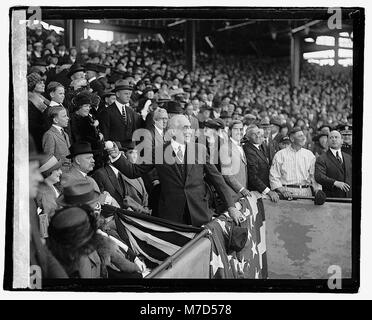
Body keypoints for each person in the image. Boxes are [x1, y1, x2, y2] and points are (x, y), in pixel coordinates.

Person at [107, 115, 243, 227]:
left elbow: (217, 179)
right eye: (185, 127)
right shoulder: (158, 152)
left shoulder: (199, 149)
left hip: (200, 213)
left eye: (190, 127)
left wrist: (231, 207)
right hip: (171, 215)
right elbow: (134, 171)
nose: (189, 131)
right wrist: (117, 157)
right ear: (172, 131)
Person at [29, 136, 68, 279]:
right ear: (47, 174)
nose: (60, 172)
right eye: (56, 170)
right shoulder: (44, 193)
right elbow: (47, 219)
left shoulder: (51, 188)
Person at [60, 141, 120, 208]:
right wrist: (107, 198)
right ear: (77, 160)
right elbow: (84, 200)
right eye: (89, 158)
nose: (93, 160)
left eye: (92, 157)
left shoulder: (90, 180)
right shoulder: (68, 178)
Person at [269, 127, 321, 198]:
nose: (303, 138)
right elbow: (273, 176)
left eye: (303, 135)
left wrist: (318, 190)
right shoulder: (280, 155)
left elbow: (314, 176)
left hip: (306, 192)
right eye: (300, 136)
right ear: (292, 139)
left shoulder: (309, 155)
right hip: (287, 192)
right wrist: (282, 190)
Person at [99, 80, 144, 149]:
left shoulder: (130, 111)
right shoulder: (107, 112)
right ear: (117, 94)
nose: (129, 96)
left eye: (129, 94)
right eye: (126, 94)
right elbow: (105, 135)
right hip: (115, 150)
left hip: (129, 150)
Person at [243, 125, 279, 202]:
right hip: (256, 192)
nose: (257, 136)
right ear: (248, 137)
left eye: (258, 133)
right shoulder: (249, 150)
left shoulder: (259, 147)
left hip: (263, 190)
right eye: (253, 134)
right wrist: (268, 191)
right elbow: (253, 177)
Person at [220, 120, 251, 203]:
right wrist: (241, 189)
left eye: (241, 129)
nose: (239, 132)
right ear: (230, 131)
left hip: (242, 194)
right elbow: (227, 174)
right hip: (232, 194)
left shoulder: (241, 146)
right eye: (236, 129)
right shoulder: (225, 148)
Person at [315, 130, 352, 198]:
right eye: (331, 138)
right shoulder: (322, 158)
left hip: (349, 198)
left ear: (342, 140)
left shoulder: (348, 157)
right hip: (332, 198)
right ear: (328, 142)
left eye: (336, 137)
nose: (334, 139)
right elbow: (319, 177)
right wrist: (335, 182)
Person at [42, 105, 71, 169]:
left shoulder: (65, 134)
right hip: (59, 172)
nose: (67, 118)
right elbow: (48, 158)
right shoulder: (49, 135)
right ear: (55, 120)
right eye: (64, 116)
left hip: (68, 170)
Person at [36, 155, 63, 223]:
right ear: (48, 173)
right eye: (57, 170)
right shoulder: (45, 192)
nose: (61, 172)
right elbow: (51, 216)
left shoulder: (50, 186)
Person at [28, 72, 50, 152]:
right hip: (37, 138)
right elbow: (32, 124)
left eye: (43, 83)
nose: (43, 85)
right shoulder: (29, 102)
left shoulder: (44, 99)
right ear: (32, 85)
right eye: (40, 83)